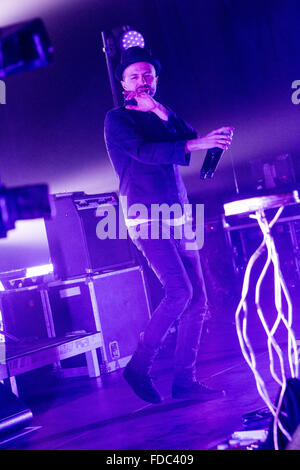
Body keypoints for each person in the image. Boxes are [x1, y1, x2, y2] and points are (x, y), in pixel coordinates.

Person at [104, 46, 233, 404]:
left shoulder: (162, 114)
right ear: (123, 82)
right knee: (180, 291)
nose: (142, 81)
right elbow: (148, 153)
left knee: (198, 298)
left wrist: (162, 111)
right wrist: (199, 141)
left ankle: (184, 382)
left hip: (180, 214)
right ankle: (139, 367)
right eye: (135, 76)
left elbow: (185, 134)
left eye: (148, 75)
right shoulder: (117, 119)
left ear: (155, 80)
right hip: (146, 216)